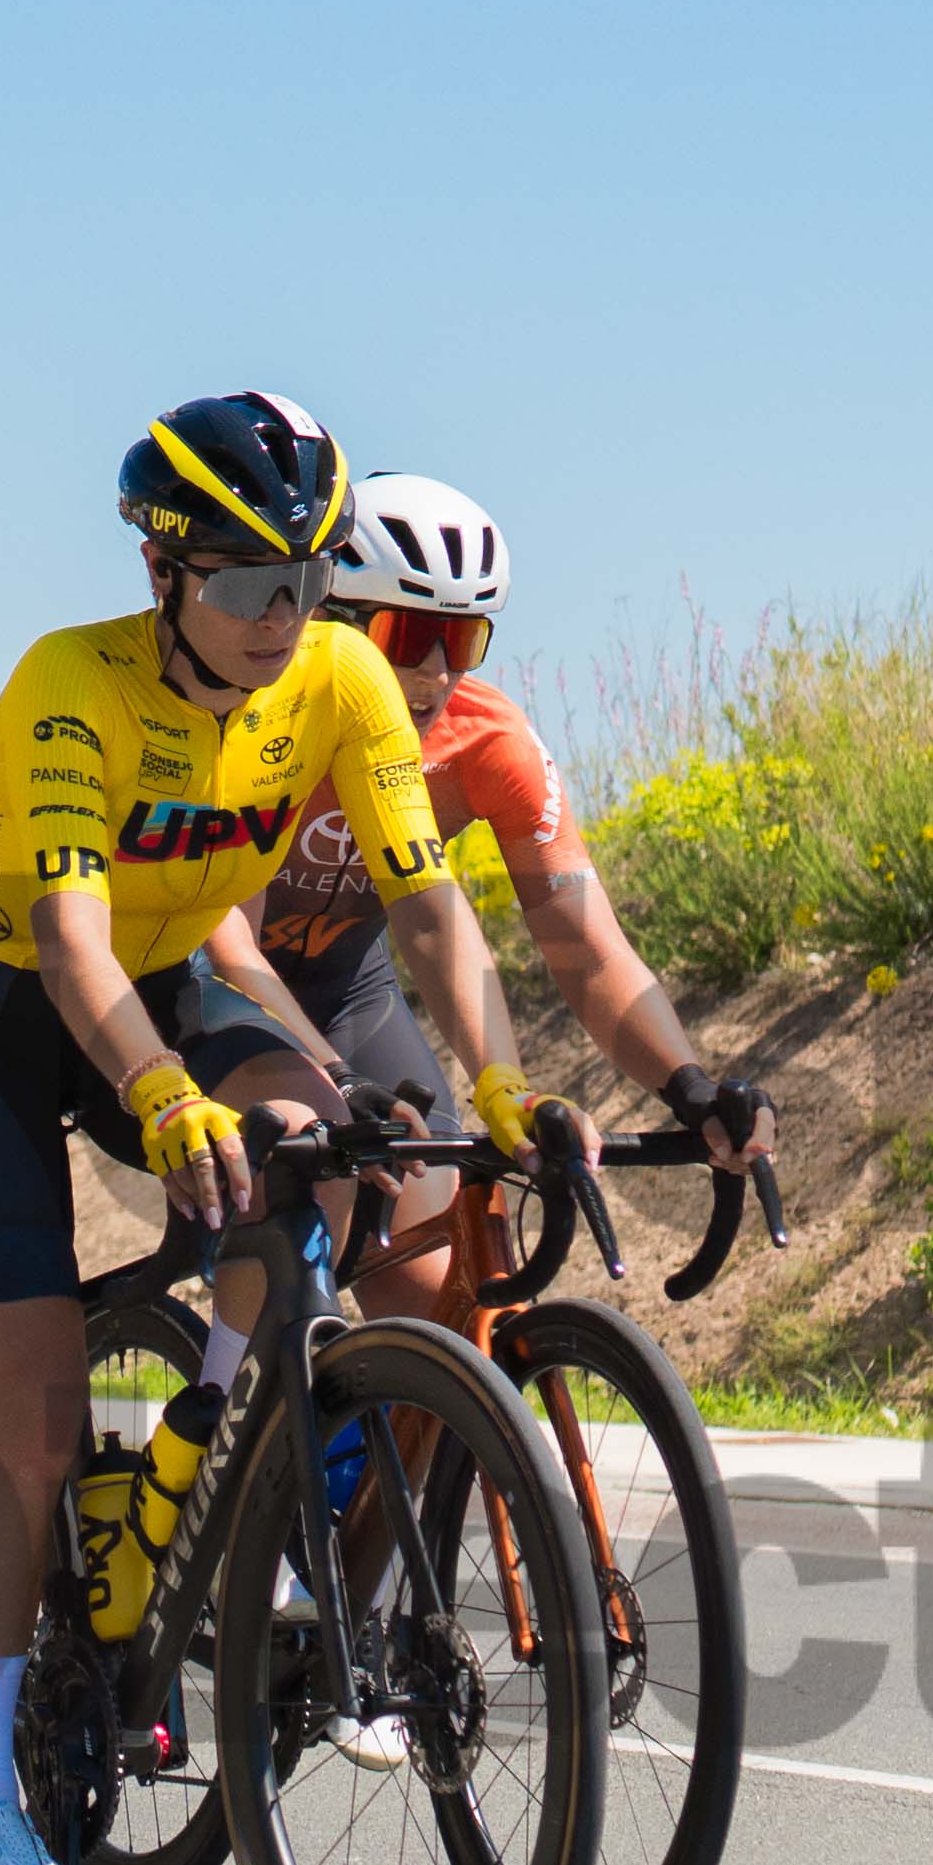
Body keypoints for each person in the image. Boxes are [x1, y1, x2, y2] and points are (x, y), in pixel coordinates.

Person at [0, 390, 518, 1865]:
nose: (280, 617)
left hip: (171, 985)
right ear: (162, 572)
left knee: (334, 1152)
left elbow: (430, 908)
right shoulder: (67, 689)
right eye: (242, 584)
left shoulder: (342, 676)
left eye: (302, 580)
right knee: (27, 1418)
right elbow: (72, 944)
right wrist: (162, 1095)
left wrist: (506, 1083)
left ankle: (202, 1464)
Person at [190, 472, 763, 1326]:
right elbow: (225, 947)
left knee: (438, 1312)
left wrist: (688, 1086)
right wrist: (339, 1085)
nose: (433, 673)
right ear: (327, 620)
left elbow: (584, 946)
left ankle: (378, 1441)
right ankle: (228, 1430)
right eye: (409, 633)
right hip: (216, 985)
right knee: (318, 1213)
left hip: (350, 989)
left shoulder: (485, 741)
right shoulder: (250, 722)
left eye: (461, 641)